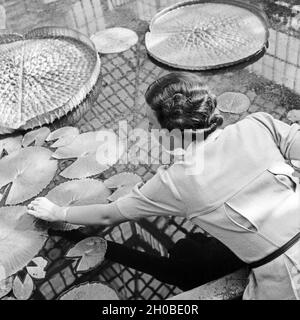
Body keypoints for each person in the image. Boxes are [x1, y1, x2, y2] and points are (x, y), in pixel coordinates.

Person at [28, 72, 300, 300]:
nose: (147, 130)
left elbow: (109, 214)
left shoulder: (176, 181)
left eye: (150, 123)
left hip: (285, 277)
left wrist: (57, 213)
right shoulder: (259, 124)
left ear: (172, 131)